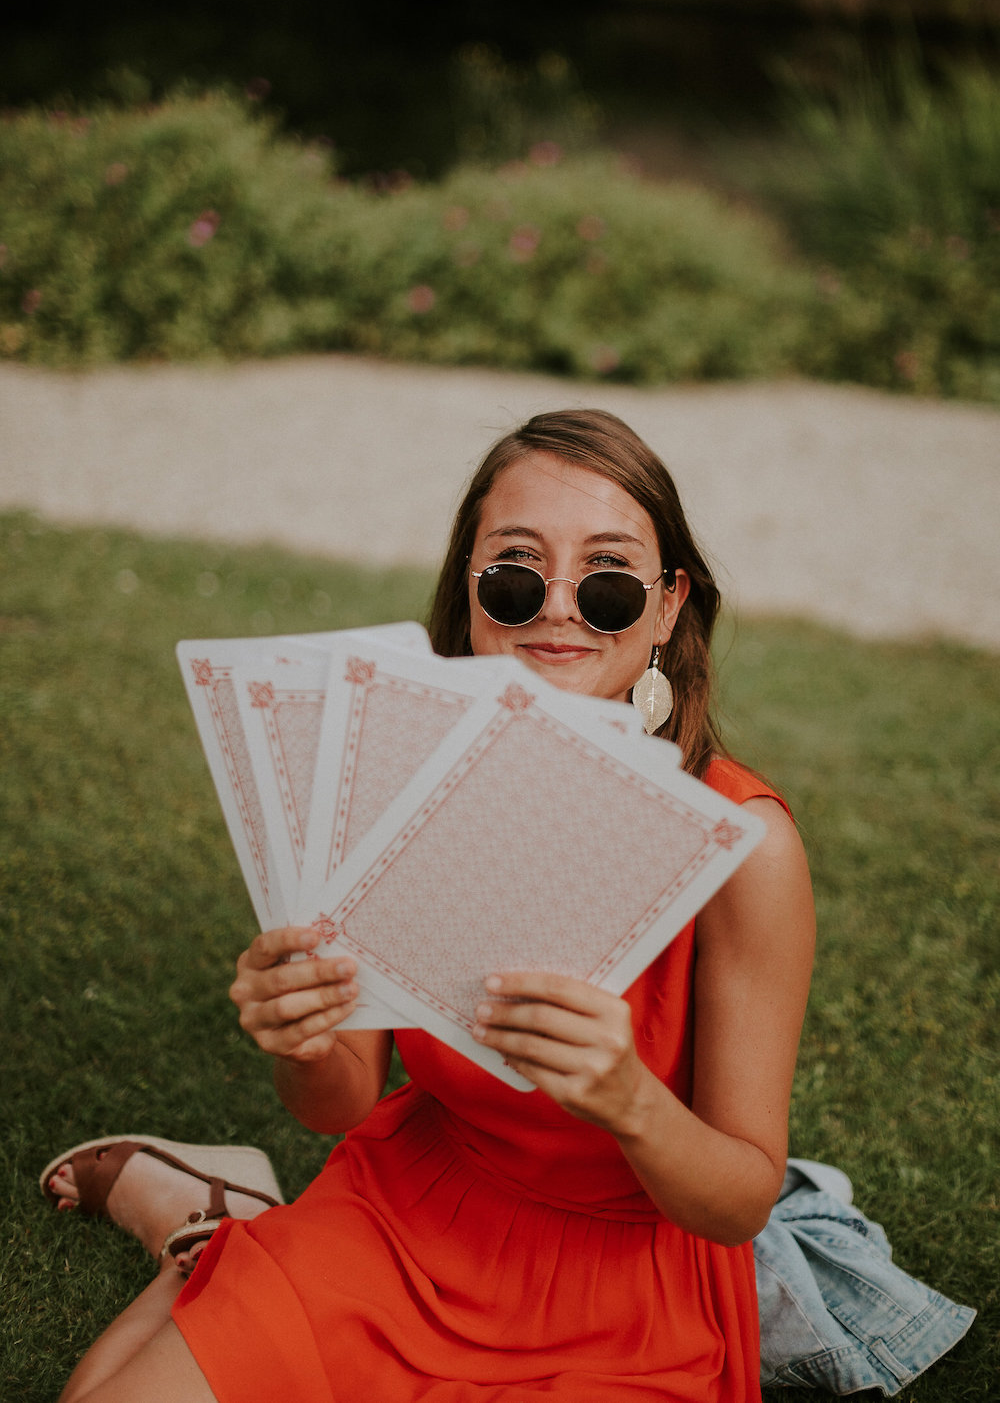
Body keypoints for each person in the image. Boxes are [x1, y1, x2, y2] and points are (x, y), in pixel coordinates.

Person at [43, 408, 816, 1402]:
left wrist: (628, 1098)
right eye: (516, 573)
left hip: (627, 1288)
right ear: (470, 591)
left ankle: (216, 1229)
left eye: (609, 579)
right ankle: (216, 1231)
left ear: (668, 606)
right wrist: (300, 1037)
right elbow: (338, 1103)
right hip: (412, 1210)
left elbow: (740, 1201)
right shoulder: (388, 781)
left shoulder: (747, 849)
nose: (558, 609)